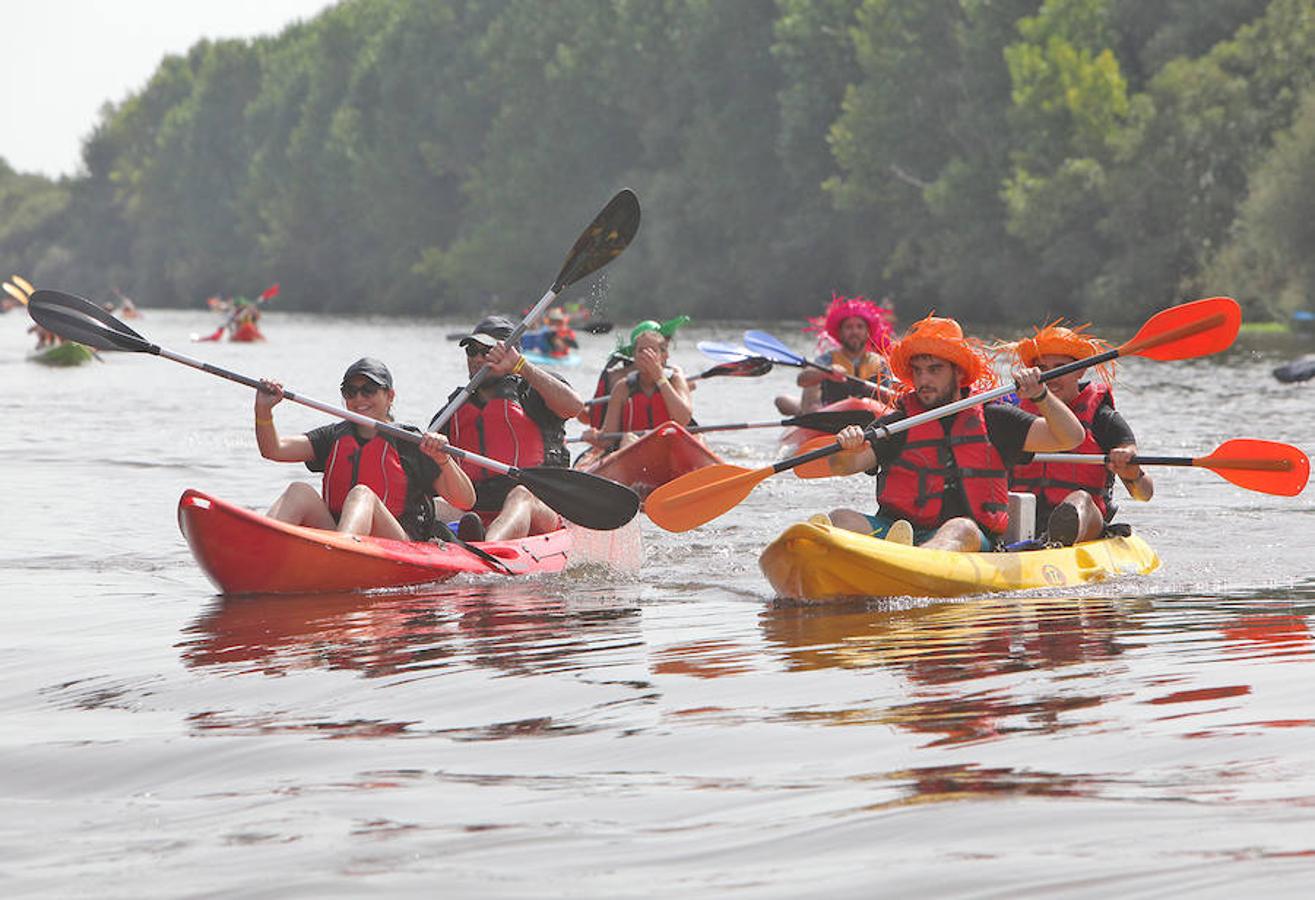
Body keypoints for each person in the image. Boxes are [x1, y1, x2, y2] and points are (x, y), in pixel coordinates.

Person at [821, 314, 1086, 551]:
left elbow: (1070, 438)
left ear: (958, 373)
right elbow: (845, 466)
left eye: (934, 369)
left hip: (967, 541)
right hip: (898, 533)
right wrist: (849, 448)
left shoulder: (995, 419)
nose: (923, 380)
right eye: (918, 371)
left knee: (960, 528)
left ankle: (917, 561)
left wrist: (1041, 395)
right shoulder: (899, 424)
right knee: (840, 519)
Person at [254, 358, 476, 541]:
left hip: (398, 542)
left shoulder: (410, 442)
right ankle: (259, 546)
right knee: (299, 490)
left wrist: (443, 459)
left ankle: (338, 555)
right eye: (350, 391)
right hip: (341, 537)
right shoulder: (333, 436)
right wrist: (264, 410)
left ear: (390, 396)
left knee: (363, 495)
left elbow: (466, 501)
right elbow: (274, 449)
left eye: (368, 390)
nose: (359, 398)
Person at [437, 315, 585, 541]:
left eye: (486, 351)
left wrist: (521, 366)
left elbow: (574, 407)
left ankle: (489, 547)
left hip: (539, 507)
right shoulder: (454, 409)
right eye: (471, 351)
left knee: (521, 496)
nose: (477, 358)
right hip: (476, 510)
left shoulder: (532, 392)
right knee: (433, 506)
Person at [1004, 321, 1153, 545]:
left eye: (1060, 367)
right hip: (1021, 520)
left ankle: (1060, 536)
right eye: (1042, 370)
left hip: (1086, 525)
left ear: (1080, 371)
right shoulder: (1016, 416)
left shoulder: (1103, 418)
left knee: (1079, 500)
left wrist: (1132, 472)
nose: (1050, 377)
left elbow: (1144, 494)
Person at [581, 318, 694, 453]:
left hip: (670, 446)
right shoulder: (622, 387)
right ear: (633, 356)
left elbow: (683, 419)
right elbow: (609, 438)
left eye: (651, 351)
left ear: (663, 356)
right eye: (641, 351)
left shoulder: (675, 379)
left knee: (694, 437)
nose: (645, 356)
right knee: (628, 438)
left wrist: (659, 378)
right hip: (635, 449)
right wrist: (595, 437)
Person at [775, 293, 895, 416]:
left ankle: (800, 408)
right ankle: (802, 411)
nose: (855, 332)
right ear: (840, 333)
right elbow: (802, 380)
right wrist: (825, 373)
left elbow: (890, 400)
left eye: (860, 327)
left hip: (870, 415)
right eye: (849, 327)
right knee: (782, 400)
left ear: (867, 332)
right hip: (832, 416)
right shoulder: (828, 359)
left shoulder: (880, 363)